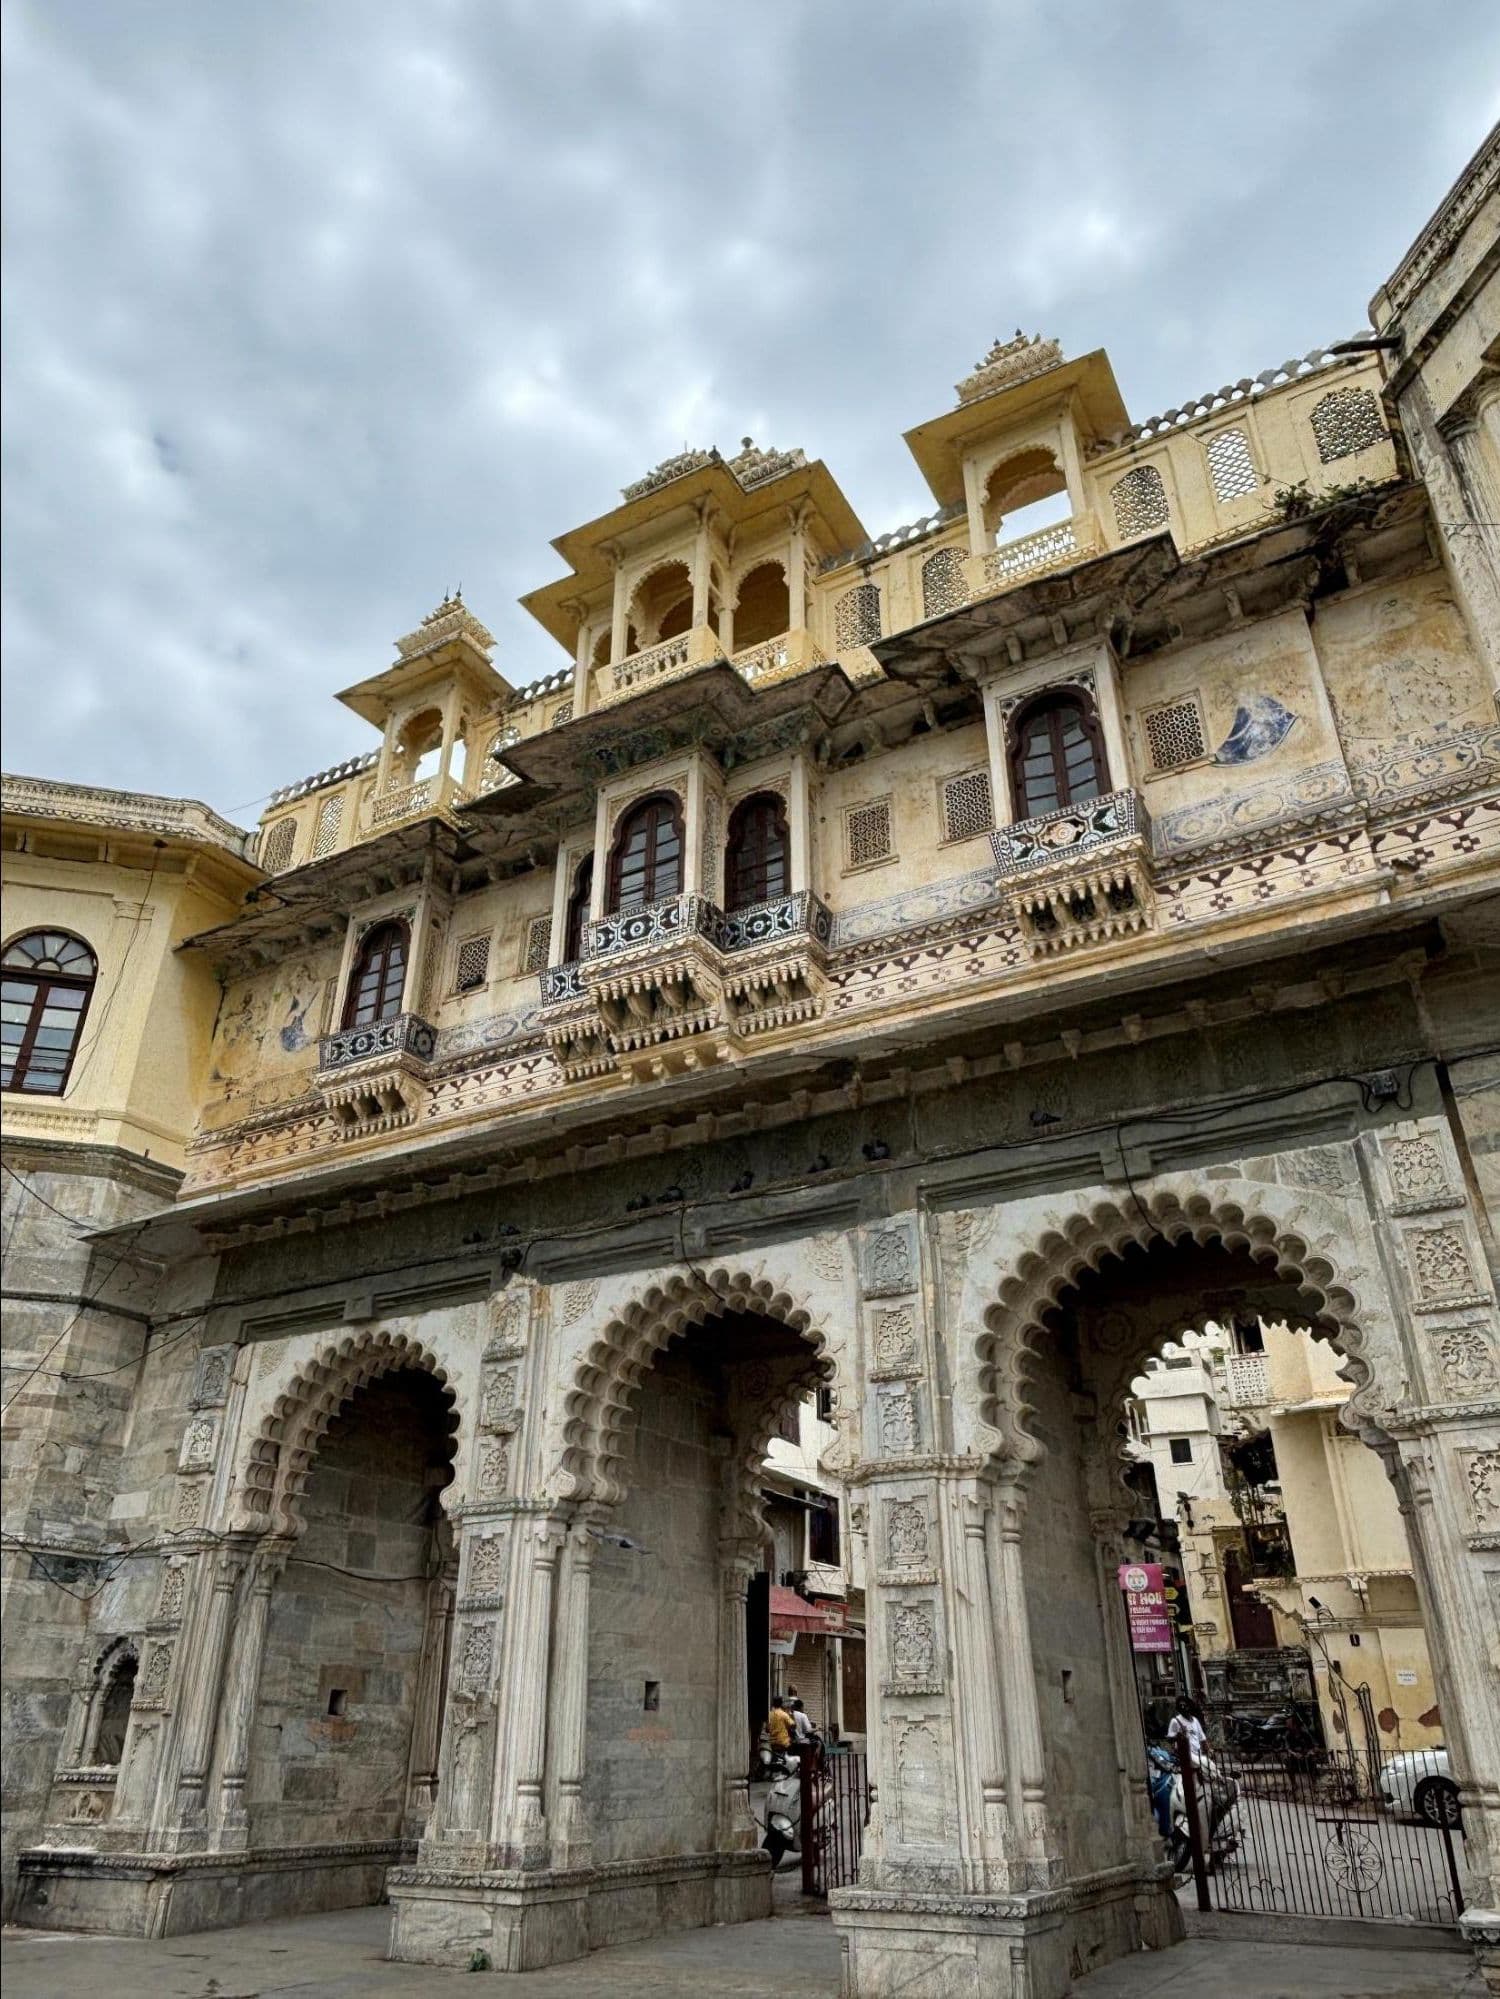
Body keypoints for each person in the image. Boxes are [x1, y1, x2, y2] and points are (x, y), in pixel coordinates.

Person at [1166, 1693, 1206, 1769]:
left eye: (1185, 1705)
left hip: (1198, 1753)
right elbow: (1169, 1739)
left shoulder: (1195, 1720)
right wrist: (1178, 1735)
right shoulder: (1175, 1721)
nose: (1183, 1707)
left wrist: (1207, 1750)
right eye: (1180, 1706)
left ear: (1189, 1706)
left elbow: (1202, 1737)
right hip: (1185, 1755)